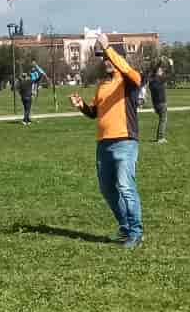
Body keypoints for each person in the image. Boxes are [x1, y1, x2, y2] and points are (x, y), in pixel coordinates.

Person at [70, 34, 144, 249]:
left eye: (109, 58)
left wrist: (108, 48)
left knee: (126, 186)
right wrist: (81, 106)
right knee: (107, 189)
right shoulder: (102, 85)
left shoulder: (129, 81)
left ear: (117, 58)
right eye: (104, 59)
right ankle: (125, 227)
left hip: (125, 142)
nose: (106, 61)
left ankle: (136, 232)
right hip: (103, 144)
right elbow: (94, 112)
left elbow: (131, 73)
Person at [149, 63, 168, 143]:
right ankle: (160, 138)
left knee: (162, 120)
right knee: (163, 120)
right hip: (161, 103)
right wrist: (171, 65)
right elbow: (170, 75)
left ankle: (160, 137)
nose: (162, 72)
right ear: (157, 72)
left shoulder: (151, 81)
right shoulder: (159, 80)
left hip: (155, 103)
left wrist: (159, 63)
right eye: (160, 71)